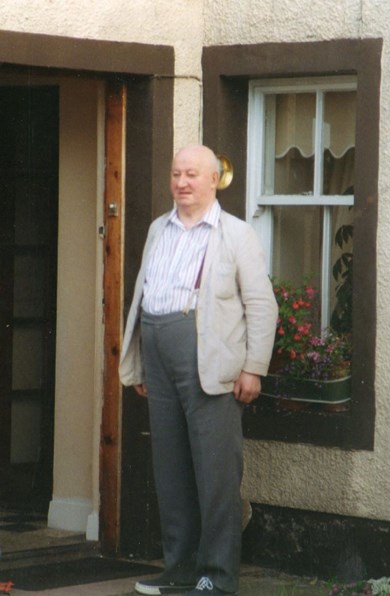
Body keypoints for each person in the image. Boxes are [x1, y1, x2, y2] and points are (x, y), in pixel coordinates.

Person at [119, 144, 278, 596]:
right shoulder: (158, 229)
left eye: (191, 174)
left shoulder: (235, 234)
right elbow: (147, 294)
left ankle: (217, 577)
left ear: (214, 180)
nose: (182, 183)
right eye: (176, 174)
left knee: (215, 475)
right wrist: (145, 361)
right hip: (159, 352)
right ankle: (180, 569)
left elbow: (261, 305)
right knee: (170, 470)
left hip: (210, 360)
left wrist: (254, 367)